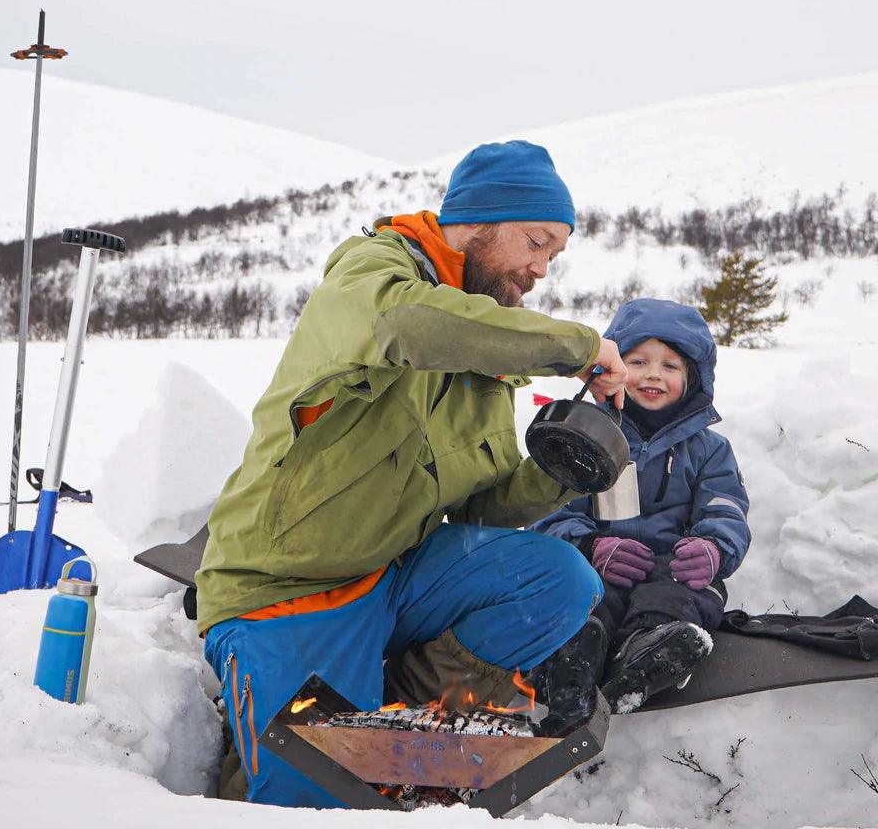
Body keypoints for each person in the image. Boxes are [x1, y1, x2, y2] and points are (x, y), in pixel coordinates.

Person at [194, 140, 628, 808]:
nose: (541, 269)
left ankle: (394, 709)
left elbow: (483, 513)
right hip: (289, 588)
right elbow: (406, 326)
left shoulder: (484, 341)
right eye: (537, 242)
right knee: (321, 800)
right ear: (482, 218)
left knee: (557, 579)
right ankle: (299, 724)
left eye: (555, 256)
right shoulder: (374, 275)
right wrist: (573, 346)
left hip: (395, 578)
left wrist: (558, 473)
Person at [530, 298, 751, 713]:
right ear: (613, 368)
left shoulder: (710, 450)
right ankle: (572, 655)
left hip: (673, 569)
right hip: (602, 567)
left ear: (693, 379)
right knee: (585, 598)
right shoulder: (583, 434)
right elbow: (551, 512)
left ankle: (647, 651)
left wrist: (713, 549)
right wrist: (590, 547)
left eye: (670, 366)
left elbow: (726, 508)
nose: (653, 374)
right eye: (638, 361)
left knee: (678, 597)